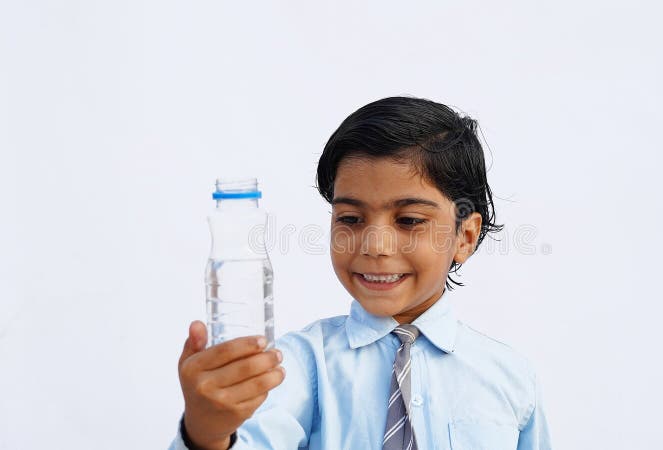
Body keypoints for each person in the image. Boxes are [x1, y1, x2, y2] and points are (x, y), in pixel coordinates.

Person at [170, 96, 552, 449]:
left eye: (409, 220)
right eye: (350, 218)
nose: (374, 244)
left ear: (464, 237)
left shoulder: (510, 377)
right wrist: (206, 433)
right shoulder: (299, 366)